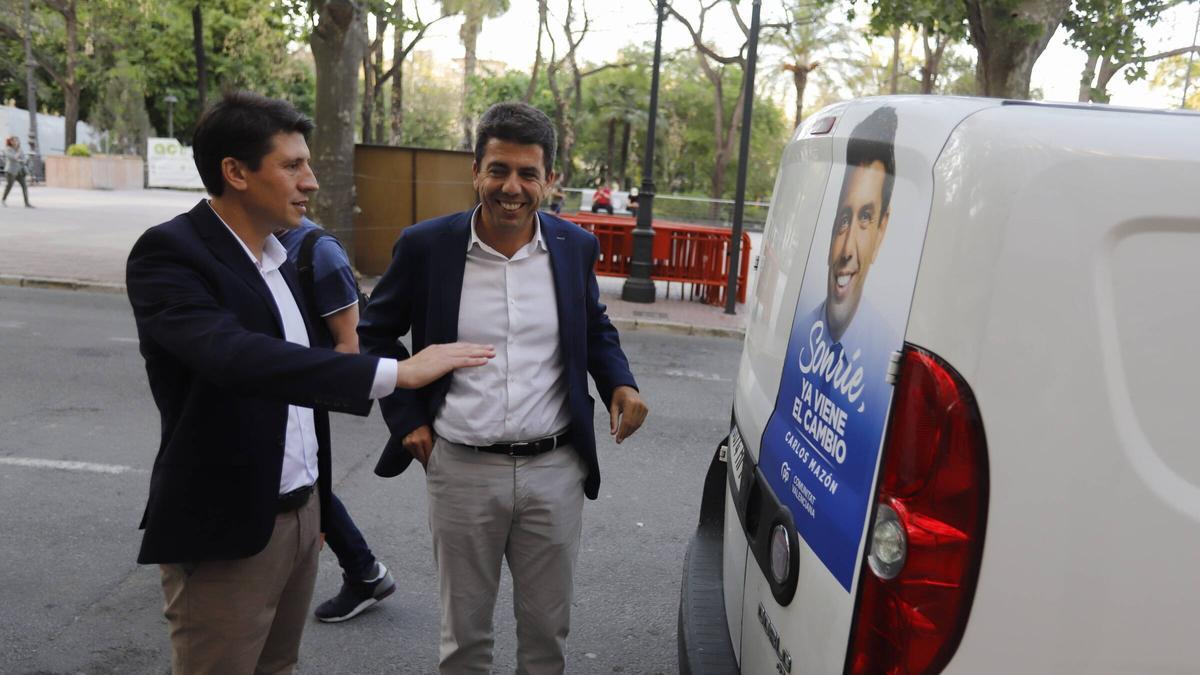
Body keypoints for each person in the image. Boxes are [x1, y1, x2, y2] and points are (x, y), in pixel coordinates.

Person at [125, 91, 493, 675]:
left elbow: (305, 384)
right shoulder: (170, 254)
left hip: (300, 519)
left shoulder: (282, 255)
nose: (311, 181)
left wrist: (315, 510)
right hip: (228, 527)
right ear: (236, 173)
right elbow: (242, 359)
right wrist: (398, 372)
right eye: (293, 165)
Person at [359, 101, 649, 674]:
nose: (511, 188)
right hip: (461, 469)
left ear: (549, 180)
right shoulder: (427, 247)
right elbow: (375, 332)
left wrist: (618, 381)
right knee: (464, 641)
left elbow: (592, 326)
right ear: (476, 172)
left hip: (554, 469)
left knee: (547, 639)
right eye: (498, 170)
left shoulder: (573, 247)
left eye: (527, 174)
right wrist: (408, 418)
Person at [275, 218, 396, 623]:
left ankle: (363, 570)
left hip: (297, 393)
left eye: (301, 166)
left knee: (305, 481)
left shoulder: (317, 250)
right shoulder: (248, 242)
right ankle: (364, 571)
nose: (306, 181)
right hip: (269, 387)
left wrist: (307, 397)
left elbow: (350, 343)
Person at [2, 136, 33, 208]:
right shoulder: (8, 149)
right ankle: (3, 200)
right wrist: (18, 153)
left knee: (24, 186)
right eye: (14, 141)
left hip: (19, 171)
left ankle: (27, 203)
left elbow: (24, 159)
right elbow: (13, 157)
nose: (16, 142)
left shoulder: (19, 149)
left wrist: (22, 159)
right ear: (10, 142)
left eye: (17, 141)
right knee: (9, 186)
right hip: (10, 171)